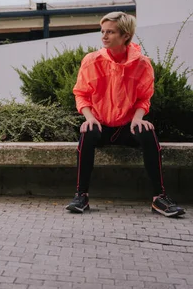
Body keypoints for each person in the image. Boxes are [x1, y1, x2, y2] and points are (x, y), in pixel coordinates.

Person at [65, 11, 185, 217]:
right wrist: (89, 118)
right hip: (100, 124)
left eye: (110, 32)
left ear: (125, 36)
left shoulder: (142, 64)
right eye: (102, 31)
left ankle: (159, 198)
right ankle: (81, 196)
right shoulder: (91, 61)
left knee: (148, 133)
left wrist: (138, 118)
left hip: (127, 126)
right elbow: (81, 93)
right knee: (87, 133)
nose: (104, 36)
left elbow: (144, 97)